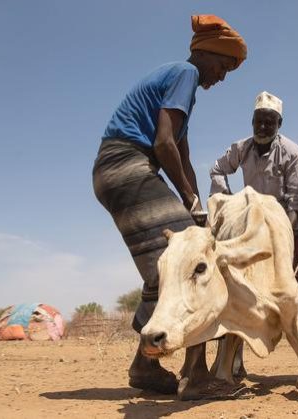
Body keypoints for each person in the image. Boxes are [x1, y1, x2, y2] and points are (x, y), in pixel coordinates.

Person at [92, 14, 247, 395]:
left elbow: (181, 155)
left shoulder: (182, 91)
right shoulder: (185, 74)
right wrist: (191, 202)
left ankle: (146, 365)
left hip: (120, 168)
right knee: (186, 257)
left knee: (166, 265)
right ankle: (195, 376)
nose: (222, 77)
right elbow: (163, 144)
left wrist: (197, 210)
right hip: (125, 163)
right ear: (207, 54)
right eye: (224, 66)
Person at [209, 91, 298, 377]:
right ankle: (233, 363)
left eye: (269, 122)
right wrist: (227, 202)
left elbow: (297, 199)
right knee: (235, 289)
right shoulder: (242, 148)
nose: (263, 127)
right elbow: (217, 168)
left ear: (279, 123)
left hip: (287, 227)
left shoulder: (292, 151)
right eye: (258, 121)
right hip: (248, 228)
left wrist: (279, 235)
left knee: (296, 289)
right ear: (252, 121)